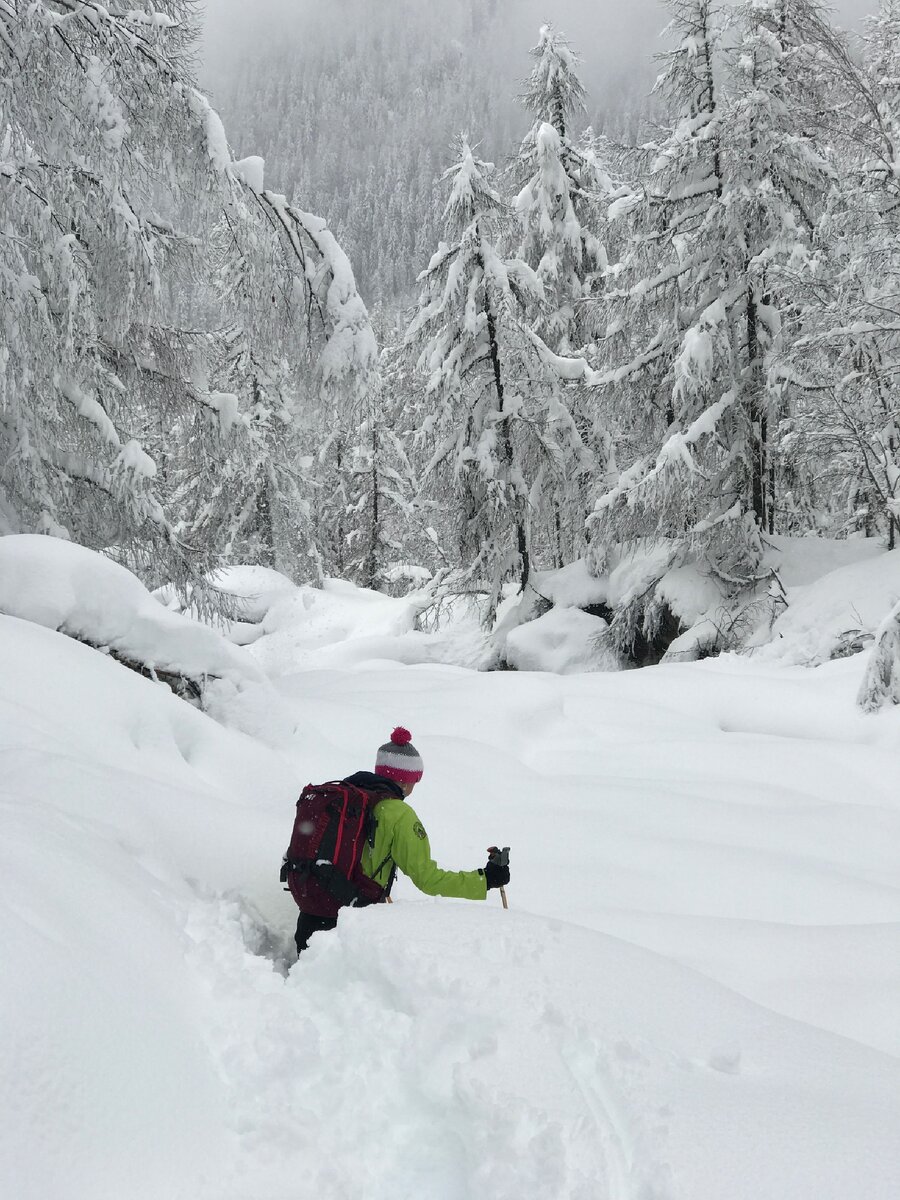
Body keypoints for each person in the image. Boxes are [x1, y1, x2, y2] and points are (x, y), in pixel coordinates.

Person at [294, 727, 510, 954]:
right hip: (349, 925)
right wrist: (485, 880)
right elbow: (428, 879)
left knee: (306, 985)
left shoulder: (345, 798)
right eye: (415, 780)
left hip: (311, 909)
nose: (414, 786)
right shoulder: (399, 815)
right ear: (404, 780)